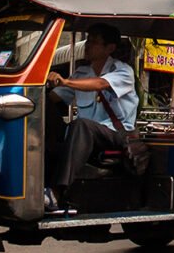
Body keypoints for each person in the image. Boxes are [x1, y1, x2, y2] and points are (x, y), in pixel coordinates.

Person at [44, 23, 138, 215]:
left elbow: (101, 84)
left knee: (81, 125)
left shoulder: (123, 71)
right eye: (88, 40)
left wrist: (65, 81)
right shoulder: (81, 74)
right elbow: (54, 98)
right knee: (43, 113)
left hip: (116, 134)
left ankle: (56, 192)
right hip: (85, 135)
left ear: (109, 48)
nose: (87, 45)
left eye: (94, 42)